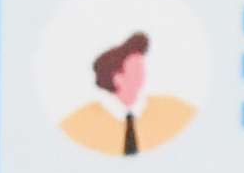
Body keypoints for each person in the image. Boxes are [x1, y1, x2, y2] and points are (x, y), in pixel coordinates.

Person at [58, 32, 196, 157]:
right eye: (136, 69)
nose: (142, 74)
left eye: (142, 67)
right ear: (117, 77)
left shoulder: (173, 109)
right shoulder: (79, 123)